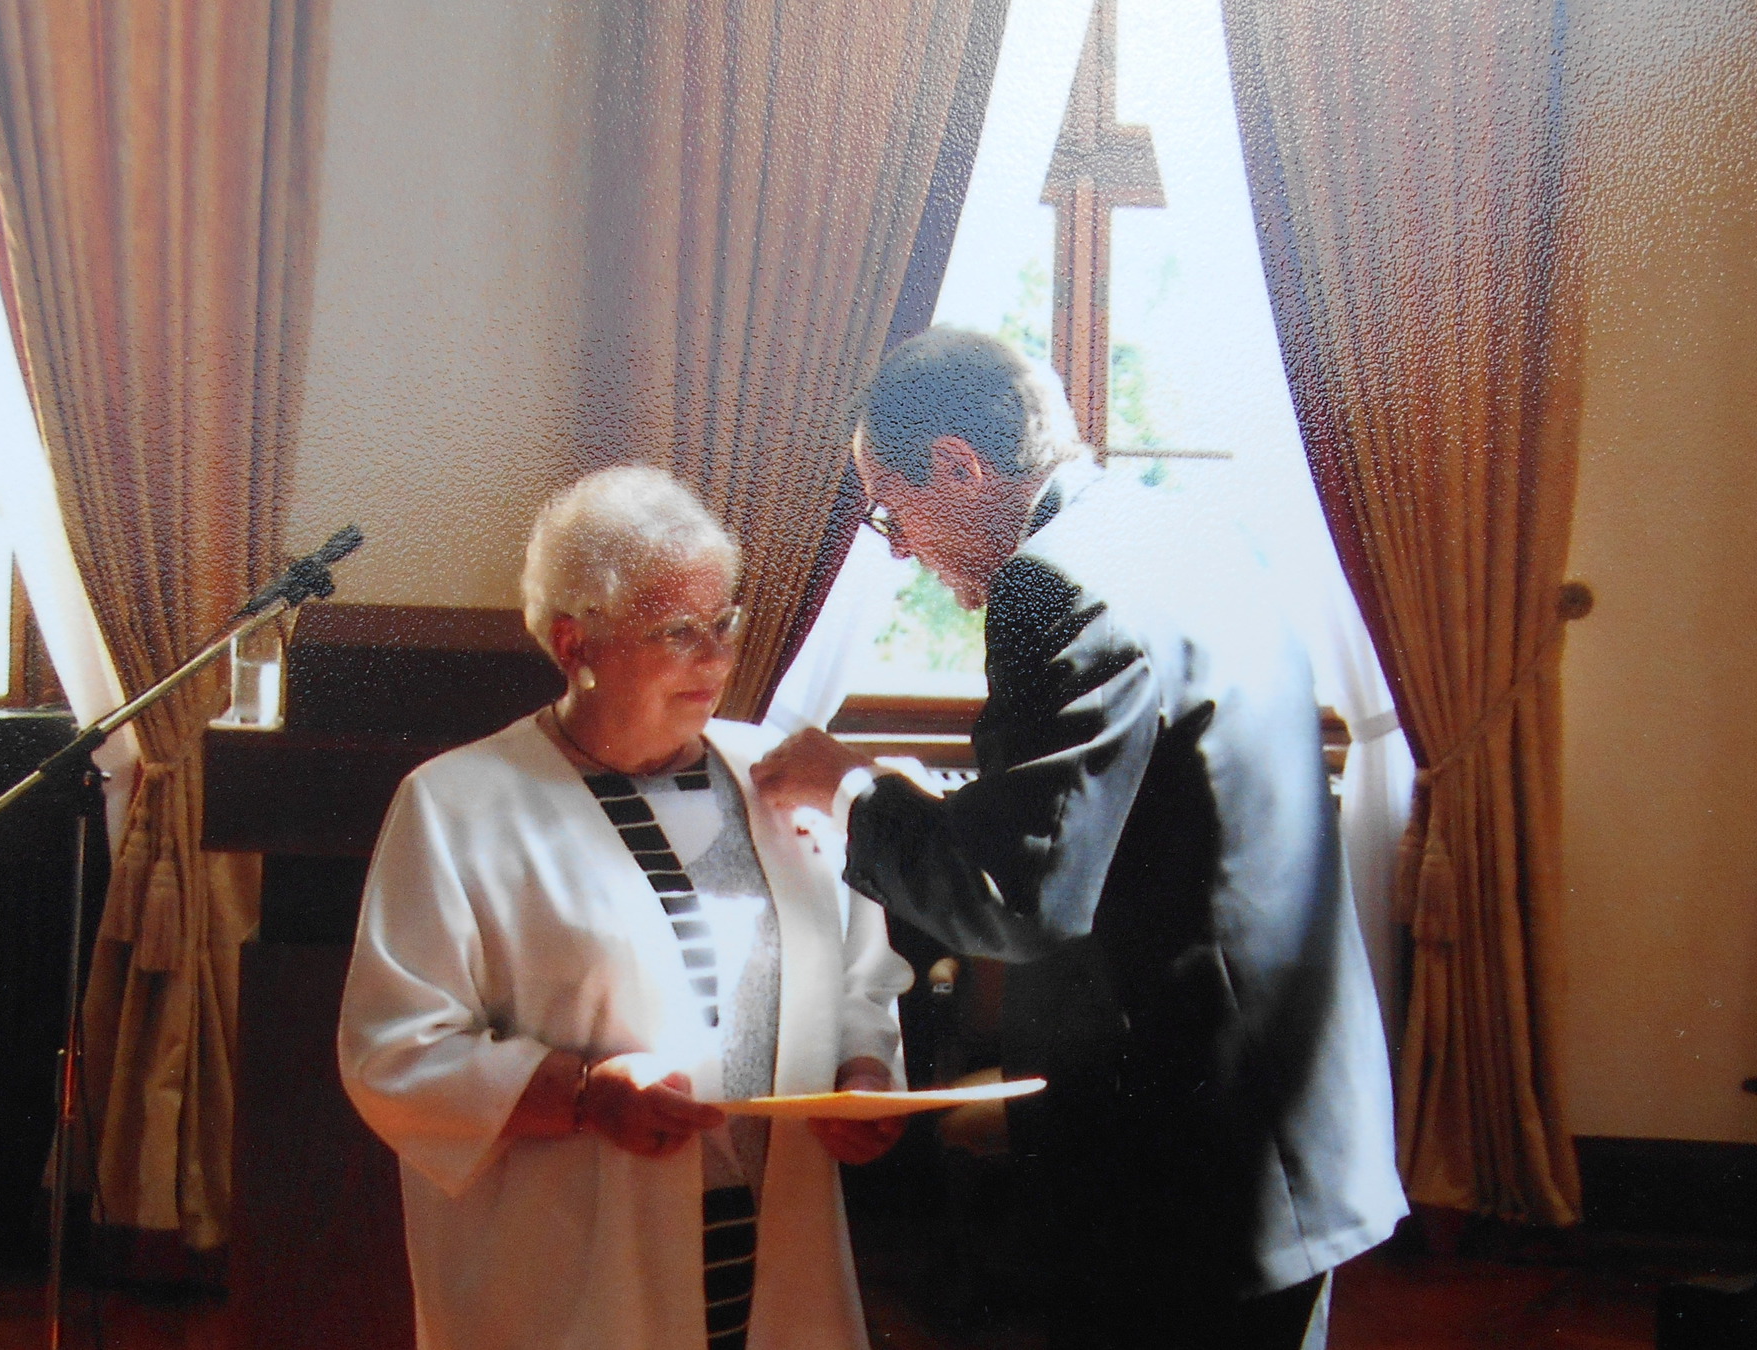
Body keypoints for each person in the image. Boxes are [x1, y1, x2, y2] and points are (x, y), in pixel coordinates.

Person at [753, 329, 1407, 1350]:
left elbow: (1018, 901)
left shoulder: (1047, 584)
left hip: (1176, 1163)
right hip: (1280, 1118)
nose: (898, 548)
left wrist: (850, 792)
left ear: (957, 467)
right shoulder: (1185, 533)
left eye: (888, 509)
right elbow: (1142, 811)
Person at [339, 465, 914, 1350]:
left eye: (723, 622)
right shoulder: (458, 805)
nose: (716, 658)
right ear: (575, 644)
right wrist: (580, 1096)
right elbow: (394, 1050)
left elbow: (861, 976)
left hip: (776, 1242)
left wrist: (866, 1073)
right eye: (677, 631)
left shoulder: (781, 775)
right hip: (574, 1263)